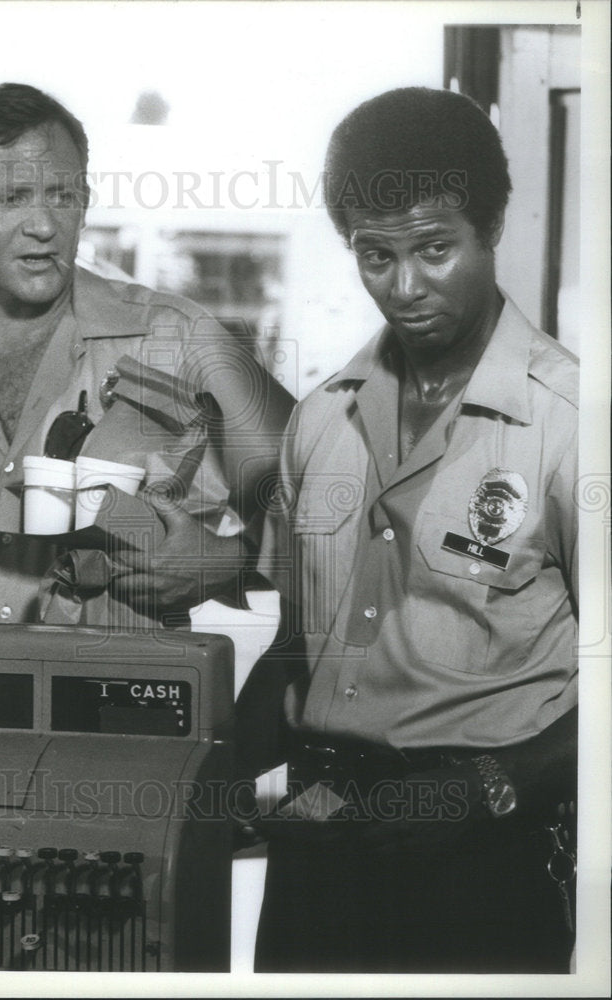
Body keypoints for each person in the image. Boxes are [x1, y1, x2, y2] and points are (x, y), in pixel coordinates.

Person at [241, 87, 578, 973]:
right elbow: (294, 643)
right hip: (322, 843)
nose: (406, 287)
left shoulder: (574, 421)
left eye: (435, 249)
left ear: (491, 227)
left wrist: (491, 791)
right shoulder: (321, 418)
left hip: (483, 852)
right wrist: (209, 780)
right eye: (375, 256)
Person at [0, 82, 294, 656]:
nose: (43, 225)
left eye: (62, 196)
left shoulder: (181, 340)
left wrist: (223, 563)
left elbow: (338, 526)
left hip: (129, 735)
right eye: (12, 198)